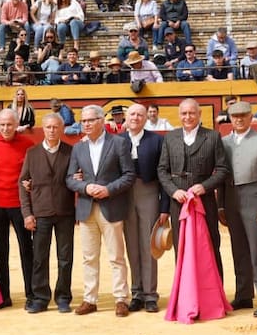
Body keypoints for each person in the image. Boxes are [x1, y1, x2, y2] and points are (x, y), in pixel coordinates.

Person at [66, 104, 135, 316]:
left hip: (111, 205)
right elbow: (70, 178)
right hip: (87, 207)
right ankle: (90, 299)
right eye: (83, 121)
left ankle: (121, 298)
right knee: (89, 257)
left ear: (100, 121)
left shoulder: (119, 143)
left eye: (90, 120)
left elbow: (129, 175)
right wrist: (85, 187)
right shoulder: (78, 147)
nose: (86, 124)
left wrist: (108, 190)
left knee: (116, 256)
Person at [156, 98, 230, 279]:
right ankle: (186, 296)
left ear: (199, 114)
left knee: (210, 244)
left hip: (204, 202)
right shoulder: (170, 137)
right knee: (181, 246)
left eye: (191, 113)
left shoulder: (212, 136)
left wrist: (204, 187)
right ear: (179, 115)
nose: (187, 117)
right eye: (184, 113)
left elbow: (222, 170)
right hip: (178, 201)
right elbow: (162, 170)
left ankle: (214, 296)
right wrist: (174, 191)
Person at [19, 112, 76, 313]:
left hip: (65, 212)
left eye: (56, 127)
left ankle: (63, 297)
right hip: (41, 212)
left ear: (61, 129)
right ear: (43, 129)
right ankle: (40, 298)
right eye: (48, 127)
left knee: (65, 257)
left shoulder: (71, 152)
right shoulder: (32, 153)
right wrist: (27, 213)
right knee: (39, 257)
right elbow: (22, 184)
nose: (52, 131)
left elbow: (77, 177)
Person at [220, 102, 257, 316]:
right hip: (231, 196)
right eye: (235, 116)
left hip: (254, 194)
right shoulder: (223, 142)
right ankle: (243, 294)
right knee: (238, 248)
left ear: (251, 117)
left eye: (243, 115)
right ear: (230, 119)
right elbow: (222, 176)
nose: (239, 120)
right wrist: (221, 204)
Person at [0, 108, 36, 309]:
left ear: (17, 125)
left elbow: (33, 175)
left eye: (9, 124)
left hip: (20, 206)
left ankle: (31, 294)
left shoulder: (28, 145)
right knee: (1, 251)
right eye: (2, 125)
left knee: (26, 250)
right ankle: (4, 295)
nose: (6, 128)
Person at [120, 102, 168, 313]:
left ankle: (150, 294)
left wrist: (164, 207)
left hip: (148, 192)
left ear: (146, 118)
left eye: (140, 115)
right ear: (126, 117)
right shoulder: (118, 140)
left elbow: (164, 175)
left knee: (148, 244)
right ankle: (136, 292)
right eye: (132, 114)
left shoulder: (156, 140)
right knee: (131, 244)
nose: (136, 118)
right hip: (124, 194)